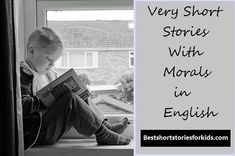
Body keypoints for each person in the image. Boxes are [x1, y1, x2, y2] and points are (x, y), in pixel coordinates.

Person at [20, 27, 130, 150]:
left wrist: (78, 81)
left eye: (55, 61)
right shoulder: (24, 73)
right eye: (49, 59)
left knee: (77, 93)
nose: (52, 65)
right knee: (70, 98)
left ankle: (105, 126)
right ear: (31, 51)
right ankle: (103, 134)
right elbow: (22, 105)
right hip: (37, 131)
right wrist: (51, 96)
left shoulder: (47, 73)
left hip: (47, 126)